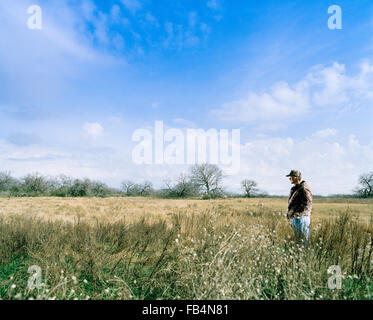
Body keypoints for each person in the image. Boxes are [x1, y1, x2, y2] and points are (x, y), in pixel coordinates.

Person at [286, 170, 312, 245]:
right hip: (296, 218)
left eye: (291, 177)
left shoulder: (303, 188)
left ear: (296, 177)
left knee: (304, 241)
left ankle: (306, 255)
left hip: (301, 218)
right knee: (299, 241)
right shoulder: (296, 188)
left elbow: (307, 204)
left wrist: (298, 214)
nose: (289, 179)